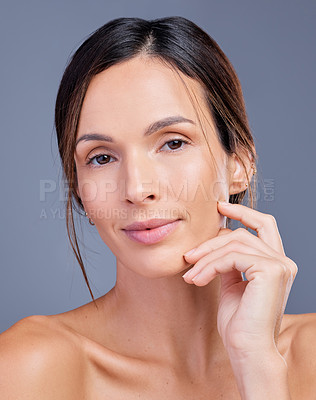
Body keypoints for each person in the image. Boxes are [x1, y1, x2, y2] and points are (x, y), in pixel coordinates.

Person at [0, 16, 315, 399]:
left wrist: (258, 366)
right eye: (101, 158)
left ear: (239, 164)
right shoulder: (26, 368)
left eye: (173, 143)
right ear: (78, 187)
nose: (137, 188)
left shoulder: (308, 355)